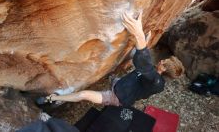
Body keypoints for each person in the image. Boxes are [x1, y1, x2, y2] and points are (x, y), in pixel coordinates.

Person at [45, 11, 184, 107]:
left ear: (164, 69)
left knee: (83, 94)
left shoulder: (157, 82)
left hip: (117, 97)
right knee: (115, 75)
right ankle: (113, 80)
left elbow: (145, 66)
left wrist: (140, 37)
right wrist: (143, 43)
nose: (161, 61)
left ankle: (54, 98)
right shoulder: (155, 73)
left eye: (163, 62)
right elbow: (145, 66)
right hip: (122, 85)